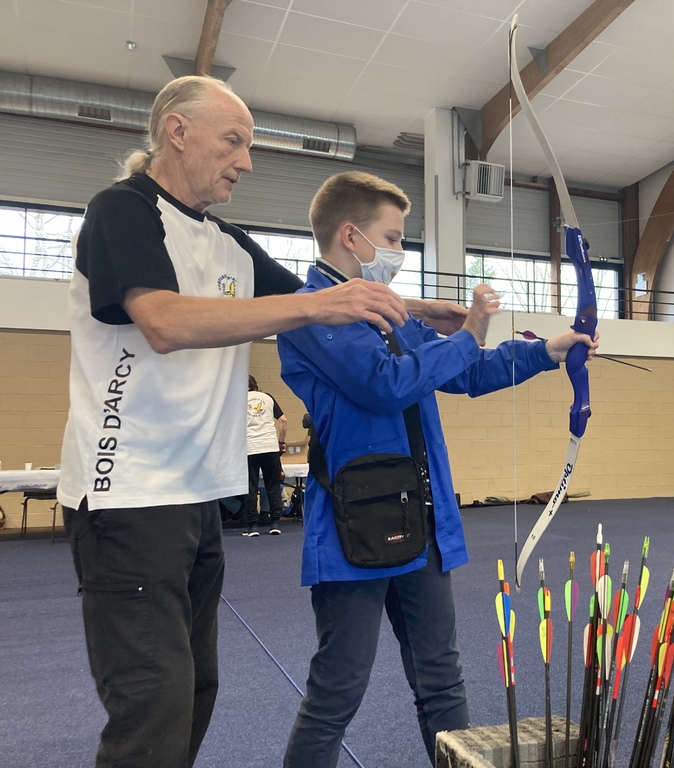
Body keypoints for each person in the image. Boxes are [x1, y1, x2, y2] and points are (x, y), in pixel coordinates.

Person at [56, 75, 412, 768]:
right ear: (177, 131)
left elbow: (314, 296)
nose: (246, 161)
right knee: (152, 704)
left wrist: (425, 311)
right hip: (128, 494)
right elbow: (163, 321)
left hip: (196, 495)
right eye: (233, 141)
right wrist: (319, 306)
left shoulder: (227, 241)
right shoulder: (123, 210)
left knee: (195, 691)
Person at [277, 171, 598, 767]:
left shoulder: (388, 310)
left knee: (442, 684)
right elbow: (386, 385)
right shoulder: (311, 311)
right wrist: (470, 331)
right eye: (392, 238)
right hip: (355, 528)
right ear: (350, 235)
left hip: (423, 524)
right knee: (337, 690)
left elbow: (466, 371)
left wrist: (546, 351)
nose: (399, 251)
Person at [244, 374, 288, 536]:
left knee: (251, 487)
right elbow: (283, 421)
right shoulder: (267, 398)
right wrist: (281, 441)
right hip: (270, 446)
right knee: (272, 486)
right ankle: (275, 522)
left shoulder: (238, 400)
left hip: (250, 447)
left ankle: (252, 526)